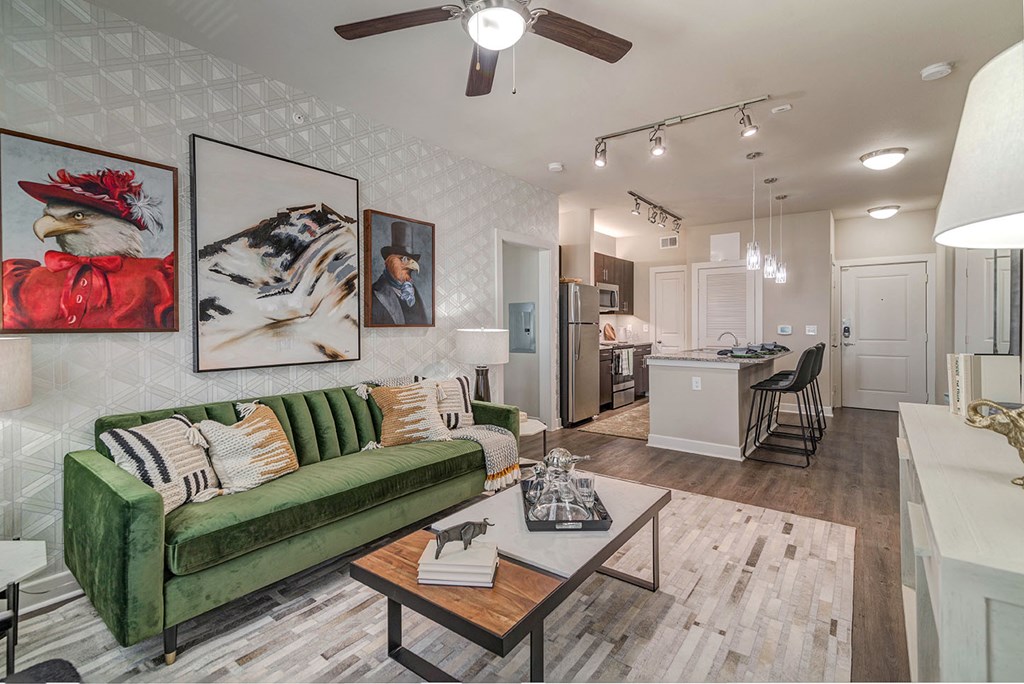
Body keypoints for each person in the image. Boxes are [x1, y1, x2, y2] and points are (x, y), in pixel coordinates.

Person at [370, 220, 429, 326]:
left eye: (411, 259)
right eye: (404, 258)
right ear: (389, 260)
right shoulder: (374, 294)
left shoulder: (413, 292)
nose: (412, 263)